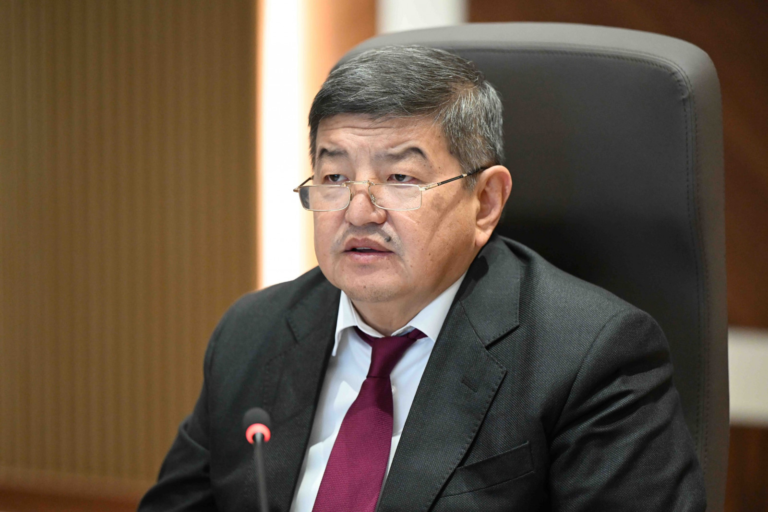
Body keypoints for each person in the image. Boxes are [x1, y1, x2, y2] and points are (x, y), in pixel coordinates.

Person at [139, 46, 705, 512]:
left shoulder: (589, 356)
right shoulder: (251, 333)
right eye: (334, 176)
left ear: (485, 202)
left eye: (400, 178)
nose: (359, 211)